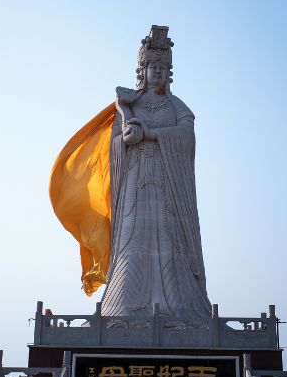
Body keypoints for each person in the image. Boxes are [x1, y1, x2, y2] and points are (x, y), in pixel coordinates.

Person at [49, 26, 211, 320]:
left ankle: (181, 306)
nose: (159, 72)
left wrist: (149, 132)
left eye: (164, 67)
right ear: (142, 70)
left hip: (167, 184)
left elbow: (186, 134)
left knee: (169, 237)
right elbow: (114, 142)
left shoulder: (175, 105)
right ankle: (123, 306)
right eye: (153, 67)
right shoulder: (129, 105)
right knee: (132, 242)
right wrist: (125, 137)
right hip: (135, 184)